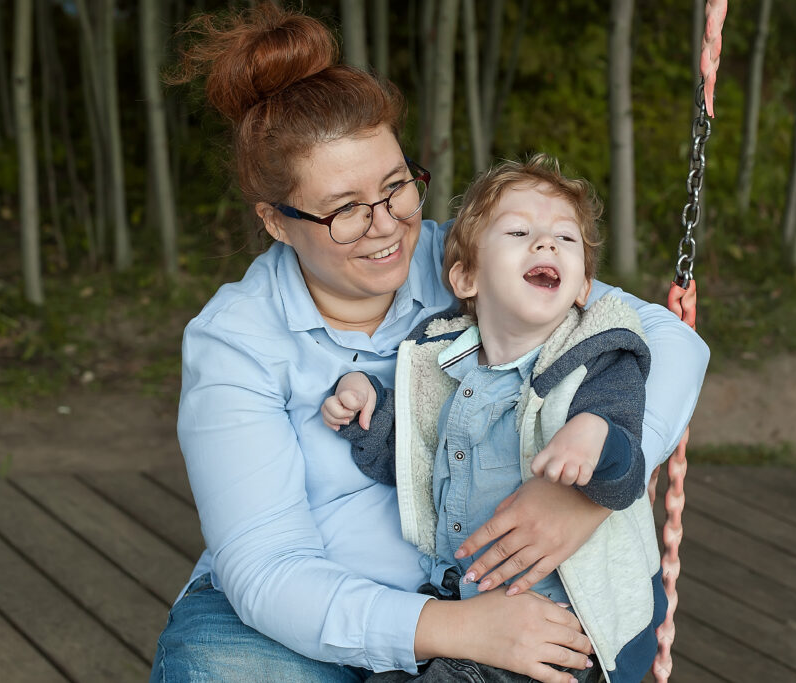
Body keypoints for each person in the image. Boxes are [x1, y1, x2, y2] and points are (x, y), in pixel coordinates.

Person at [152, 6, 709, 683]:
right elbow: (267, 571)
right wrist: (454, 629)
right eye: (346, 209)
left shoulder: (462, 265)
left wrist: (586, 497)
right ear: (276, 220)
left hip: (484, 591)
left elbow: (666, 341)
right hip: (300, 620)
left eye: (395, 187)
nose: (387, 226)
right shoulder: (236, 340)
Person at [323, 155, 663, 683]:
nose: (546, 243)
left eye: (565, 239)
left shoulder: (595, 361)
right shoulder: (445, 366)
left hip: (561, 627)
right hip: (465, 610)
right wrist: (367, 406)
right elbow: (413, 461)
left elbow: (625, 464)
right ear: (467, 278)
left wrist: (593, 434)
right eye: (520, 231)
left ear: (580, 289)